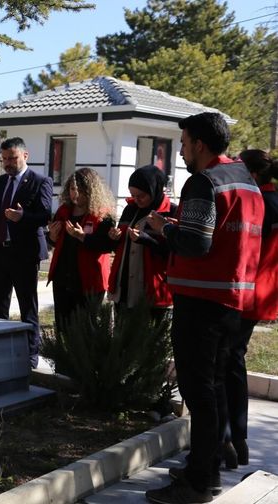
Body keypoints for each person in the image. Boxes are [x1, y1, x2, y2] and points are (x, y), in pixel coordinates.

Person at [144, 112, 264, 504]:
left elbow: (196, 243)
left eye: (183, 143)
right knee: (213, 388)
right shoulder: (246, 181)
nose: (180, 151)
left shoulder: (205, 181)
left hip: (201, 302)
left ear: (199, 144)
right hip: (233, 301)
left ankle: (198, 483)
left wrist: (165, 228)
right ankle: (205, 467)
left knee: (200, 394)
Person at [221, 149, 278, 471]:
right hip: (263, 294)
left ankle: (229, 440)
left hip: (245, 292)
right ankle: (236, 441)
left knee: (225, 364)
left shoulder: (260, 203)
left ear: (253, 174)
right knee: (234, 361)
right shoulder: (273, 200)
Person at [0, 137, 52, 367]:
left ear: (25, 156)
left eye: (12, 158)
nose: (8, 163)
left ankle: (30, 354)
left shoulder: (40, 181)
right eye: (4, 159)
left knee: (27, 306)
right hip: (0, 251)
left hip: (25, 254)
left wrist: (23, 217)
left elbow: (45, 215)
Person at [47, 168, 116, 335]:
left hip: (89, 280)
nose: (75, 194)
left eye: (80, 190)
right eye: (72, 189)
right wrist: (52, 236)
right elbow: (54, 242)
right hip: (63, 278)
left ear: (91, 190)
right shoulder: (63, 211)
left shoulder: (102, 215)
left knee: (86, 329)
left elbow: (107, 246)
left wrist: (82, 236)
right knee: (63, 327)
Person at [107, 165, 177, 315]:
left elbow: (174, 252)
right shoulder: (130, 209)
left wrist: (146, 240)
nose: (136, 200)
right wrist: (114, 238)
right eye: (133, 195)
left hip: (153, 290)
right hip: (124, 288)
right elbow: (120, 246)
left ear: (154, 190)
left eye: (141, 195)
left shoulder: (171, 212)